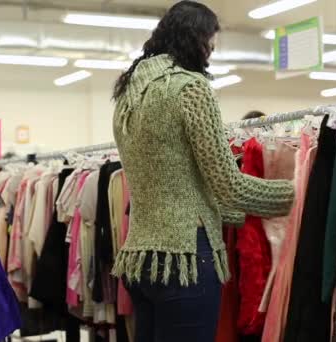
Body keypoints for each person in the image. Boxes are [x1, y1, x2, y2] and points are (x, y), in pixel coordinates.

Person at [110, 2, 295, 342]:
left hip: (140, 260)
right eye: (210, 40)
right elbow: (229, 185)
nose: (211, 50)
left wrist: (236, 218)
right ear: (195, 38)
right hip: (185, 260)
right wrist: (295, 197)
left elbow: (179, 185)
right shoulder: (191, 89)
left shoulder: (128, 94)